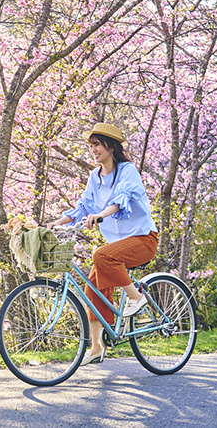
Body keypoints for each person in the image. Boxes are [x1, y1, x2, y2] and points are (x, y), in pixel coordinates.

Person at [45, 123, 158, 366]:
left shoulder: (127, 171)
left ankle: (137, 298)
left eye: (97, 144)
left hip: (143, 239)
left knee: (101, 255)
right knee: (93, 288)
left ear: (111, 146)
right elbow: (83, 207)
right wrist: (57, 222)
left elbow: (121, 200)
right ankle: (96, 347)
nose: (93, 149)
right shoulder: (94, 177)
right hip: (117, 246)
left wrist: (101, 215)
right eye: (91, 145)